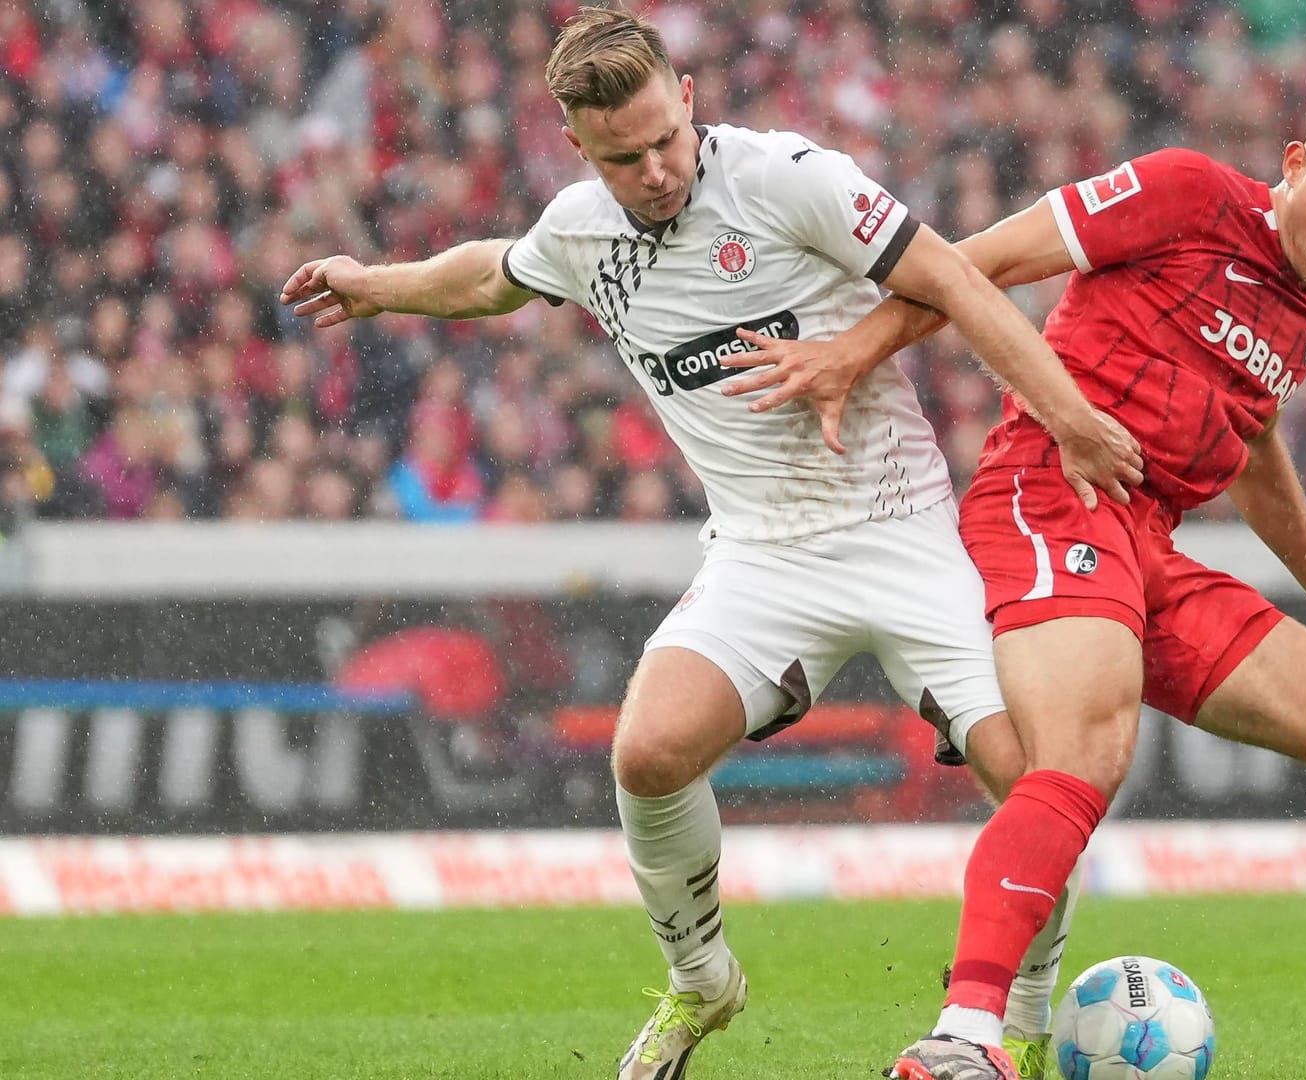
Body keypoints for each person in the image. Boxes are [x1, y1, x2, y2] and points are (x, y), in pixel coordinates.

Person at [278, 10, 1142, 1080]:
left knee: (1031, 784)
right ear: (578, 150)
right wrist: (376, 283)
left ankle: (1020, 1020)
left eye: (663, 140)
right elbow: (493, 276)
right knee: (646, 752)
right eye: (621, 157)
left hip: (905, 531)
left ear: (688, 96)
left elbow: (957, 282)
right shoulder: (584, 229)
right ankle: (702, 985)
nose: (651, 170)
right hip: (762, 556)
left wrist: (1066, 415)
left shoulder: (789, 178)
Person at [726, 76, 1306, 1080]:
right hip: (1046, 494)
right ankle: (960, 1041)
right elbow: (979, 266)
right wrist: (851, 353)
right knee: (1087, 754)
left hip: (1148, 546)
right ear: (1293, 164)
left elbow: (1255, 436)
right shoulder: (1186, 194)